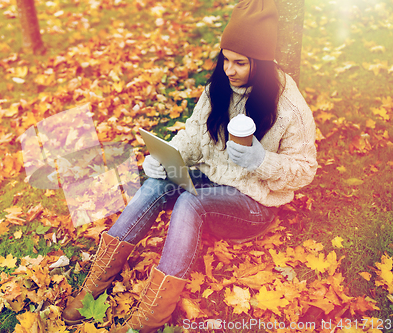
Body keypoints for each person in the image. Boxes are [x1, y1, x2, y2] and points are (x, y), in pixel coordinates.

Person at [62, 0, 318, 332]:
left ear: (263, 62)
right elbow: (196, 137)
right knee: (156, 183)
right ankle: (93, 286)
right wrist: (166, 157)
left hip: (252, 204)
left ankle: (152, 317)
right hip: (211, 180)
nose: (229, 70)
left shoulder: (288, 106)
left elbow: (305, 169)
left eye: (240, 63)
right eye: (225, 59)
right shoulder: (219, 88)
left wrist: (262, 161)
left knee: (191, 201)